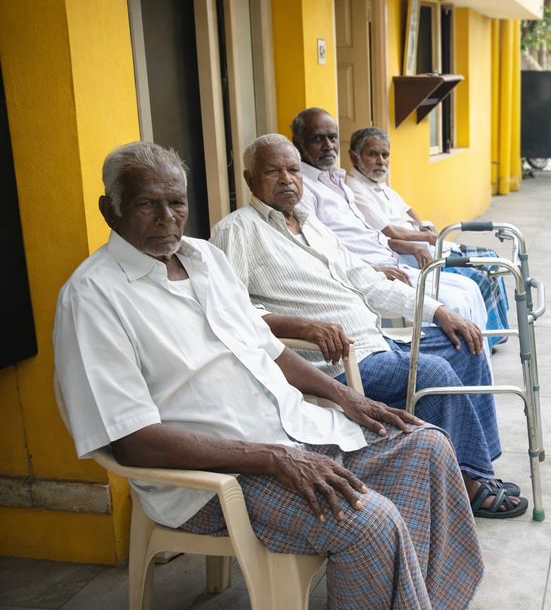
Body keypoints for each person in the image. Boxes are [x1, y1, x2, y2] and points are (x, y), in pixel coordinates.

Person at [54, 141, 484, 610]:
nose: (167, 218)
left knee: (428, 447)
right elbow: (131, 441)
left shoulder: (205, 260)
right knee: (368, 523)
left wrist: (348, 398)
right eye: (147, 204)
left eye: (176, 202)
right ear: (110, 210)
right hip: (224, 478)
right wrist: (272, 457)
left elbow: (270, 350)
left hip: (291, 432)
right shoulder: (92, 298)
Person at [210, 134, 526, 518]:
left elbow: (368, 281)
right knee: (434, 373)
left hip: (375, 341)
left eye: (293, 170)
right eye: (272, 171)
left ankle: (475, 470)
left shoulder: (312, 226)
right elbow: (232, 312)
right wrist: (301, 326)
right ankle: (470, 485)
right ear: (249, 179)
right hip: (336, 365)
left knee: (464, 343)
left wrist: (438, 310)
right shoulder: (237, 230)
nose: (286, 179)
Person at [288, 107, 489, 336]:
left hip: (393, 261)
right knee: (455, 304)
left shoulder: (337, 180)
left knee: (470, 289)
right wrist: (375, 270)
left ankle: (475, 360)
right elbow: (318, 252)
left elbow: (369, 235)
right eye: (317, 139)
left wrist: (409, 246)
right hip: (372, 275)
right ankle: (442, 365)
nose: (328, 146)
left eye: (332, 138)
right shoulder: (303, 190)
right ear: (298, 143)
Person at [344, 126, 511, 348]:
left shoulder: (379, 185)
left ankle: (496, 331)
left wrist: (423, 226)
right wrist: (428, 237)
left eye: (385, 155)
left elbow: (408, 209)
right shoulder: (355, 189)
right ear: (355, 157)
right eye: (373, 154)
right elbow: (390, 232)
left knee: (490, 259)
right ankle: (487, 338)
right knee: (479, 273)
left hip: (424, 243)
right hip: (409, 252)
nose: (381, 161)